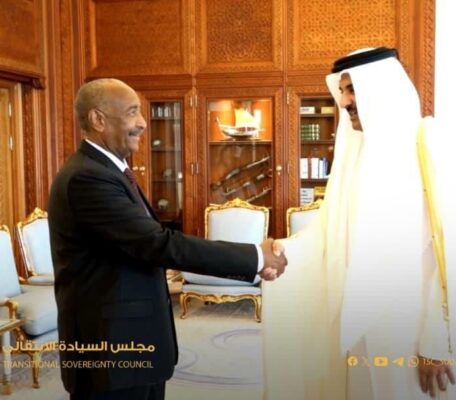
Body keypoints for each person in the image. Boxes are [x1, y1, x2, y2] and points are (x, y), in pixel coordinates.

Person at [262, 48, 456, 399]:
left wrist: (436, 341)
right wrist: (285, 250)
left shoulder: (432, 145)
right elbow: (329, 228)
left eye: (352, 89)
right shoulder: (355, 154)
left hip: (412, 327)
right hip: (361, 318)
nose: (345, 102)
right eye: (342, 91)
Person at [47, 78, 287, 400]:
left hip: (131, 344)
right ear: (98, 119)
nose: (143, 123)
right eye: (132, 112)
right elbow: (158, 243)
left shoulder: (109, 170)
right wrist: (256, 257)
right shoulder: (87, 178)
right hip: (112, 353)